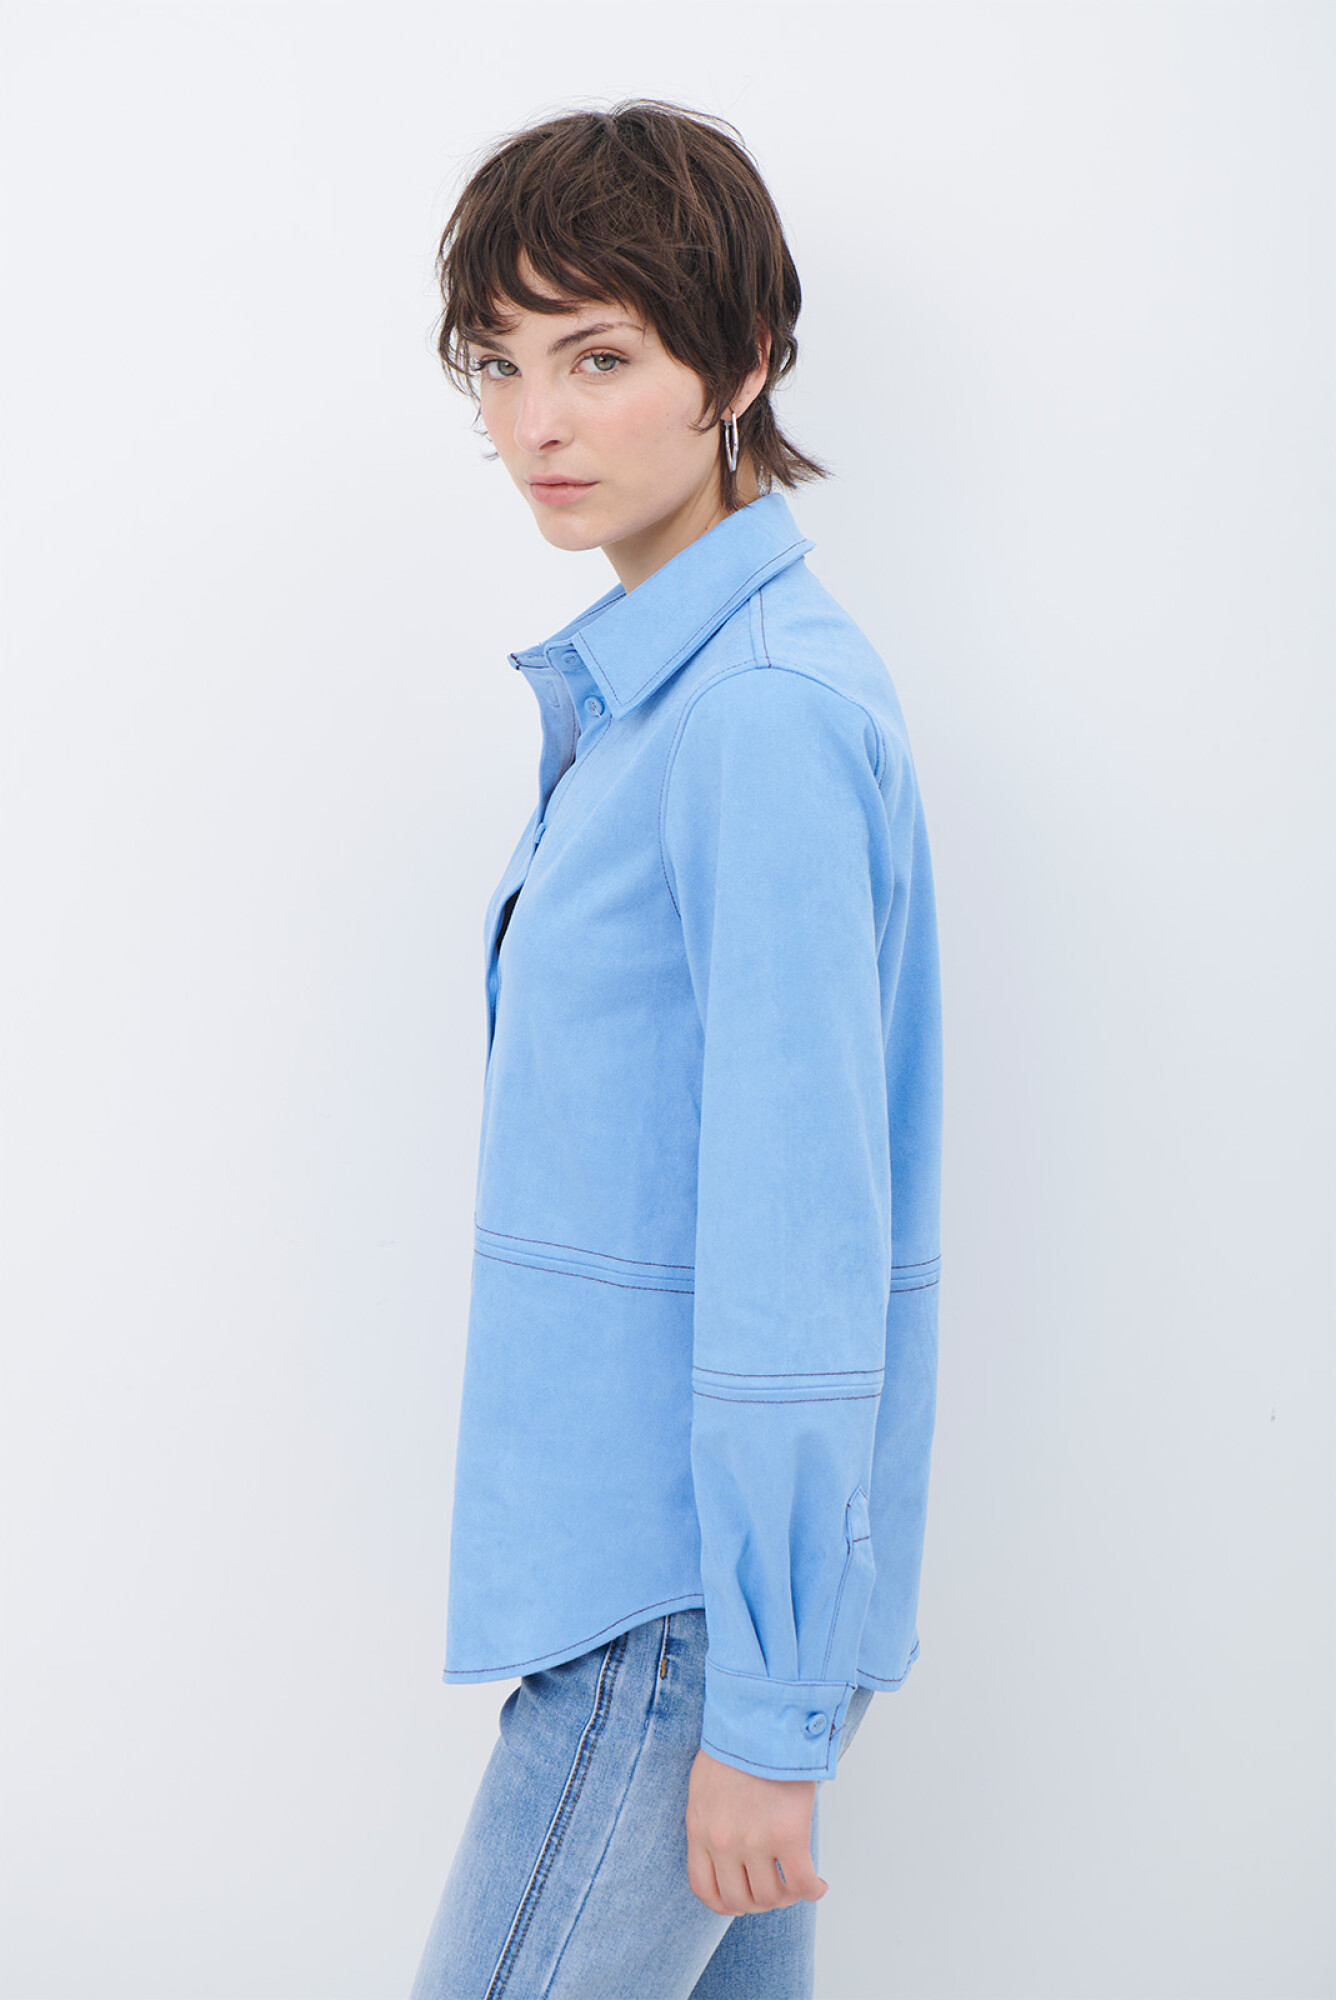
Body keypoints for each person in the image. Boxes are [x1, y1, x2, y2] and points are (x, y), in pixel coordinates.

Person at [408, 98, 943, 2000]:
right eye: (500, 365)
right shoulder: (666, 701)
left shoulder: (757, 723)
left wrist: (768, 1706)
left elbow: (805, 1245)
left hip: (675, 1623)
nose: (536, 423)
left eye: (600, 357)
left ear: (744, 361)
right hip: (663, 1608)